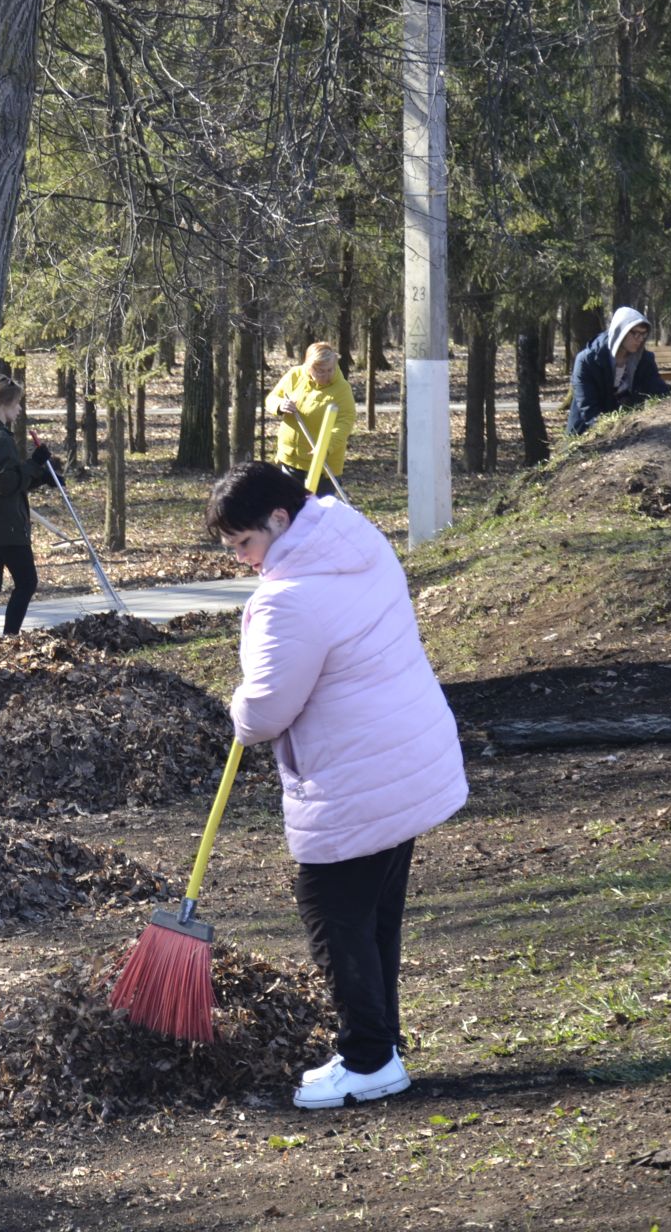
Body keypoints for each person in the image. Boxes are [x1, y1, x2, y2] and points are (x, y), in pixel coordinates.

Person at [206, 461, 465, 1111]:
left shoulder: (289, 598)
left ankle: (369, 1059)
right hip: (406, 754)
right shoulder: (357, 537)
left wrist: (238, 706)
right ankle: (382, 1049)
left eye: (244, 543)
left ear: (279, 519)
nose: (242, 559)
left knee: (332, 912)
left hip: (359, 774)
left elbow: (264, 714)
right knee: (374, 916)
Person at [0, 373, 57, 637]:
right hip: (4, 524)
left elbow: (6, 482)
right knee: (27, 582)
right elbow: (5, 484)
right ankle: (10, 637)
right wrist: (35, 463)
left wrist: (41, 476)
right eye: (17, 404)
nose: (19, 410)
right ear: (4, 403)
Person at [267, 342, 355, 495]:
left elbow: (345, 421)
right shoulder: (294, 375)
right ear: (308, 366)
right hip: (290, 459)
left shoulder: (342, 388)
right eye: (320, 371)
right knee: (292, 512)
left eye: (329, 370)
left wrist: (325, 446)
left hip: (322, 466)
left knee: (317, 514)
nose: (325, 375)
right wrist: (280, 405)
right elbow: (271, 398)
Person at [566, 306, 670, 435]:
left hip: (629, 434)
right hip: (585, 435)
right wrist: (610, 430)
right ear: (620, 331)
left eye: (643, 334)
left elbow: (660, 392)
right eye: (635, 333)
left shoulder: (645, 360)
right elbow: (588, 408)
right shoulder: (587, 360)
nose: (639, 339)